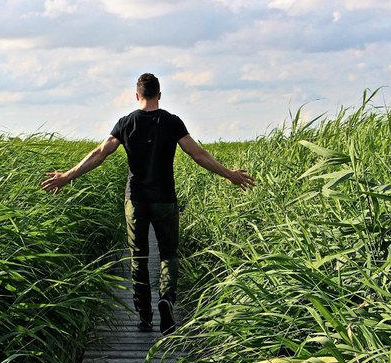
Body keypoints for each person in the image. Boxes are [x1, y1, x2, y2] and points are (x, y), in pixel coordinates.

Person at [41, 73, 254, 334]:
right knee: (168, 254)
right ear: (160, 95)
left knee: (138, 258)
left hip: (136, 200)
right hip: (165, 199)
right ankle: (167, 299)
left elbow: (99, 154)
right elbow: (198, 154)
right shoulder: (172, 122)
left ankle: (144, 316)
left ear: (137, 95)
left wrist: (66, 176)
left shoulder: (126, 122)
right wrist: (230, 175)